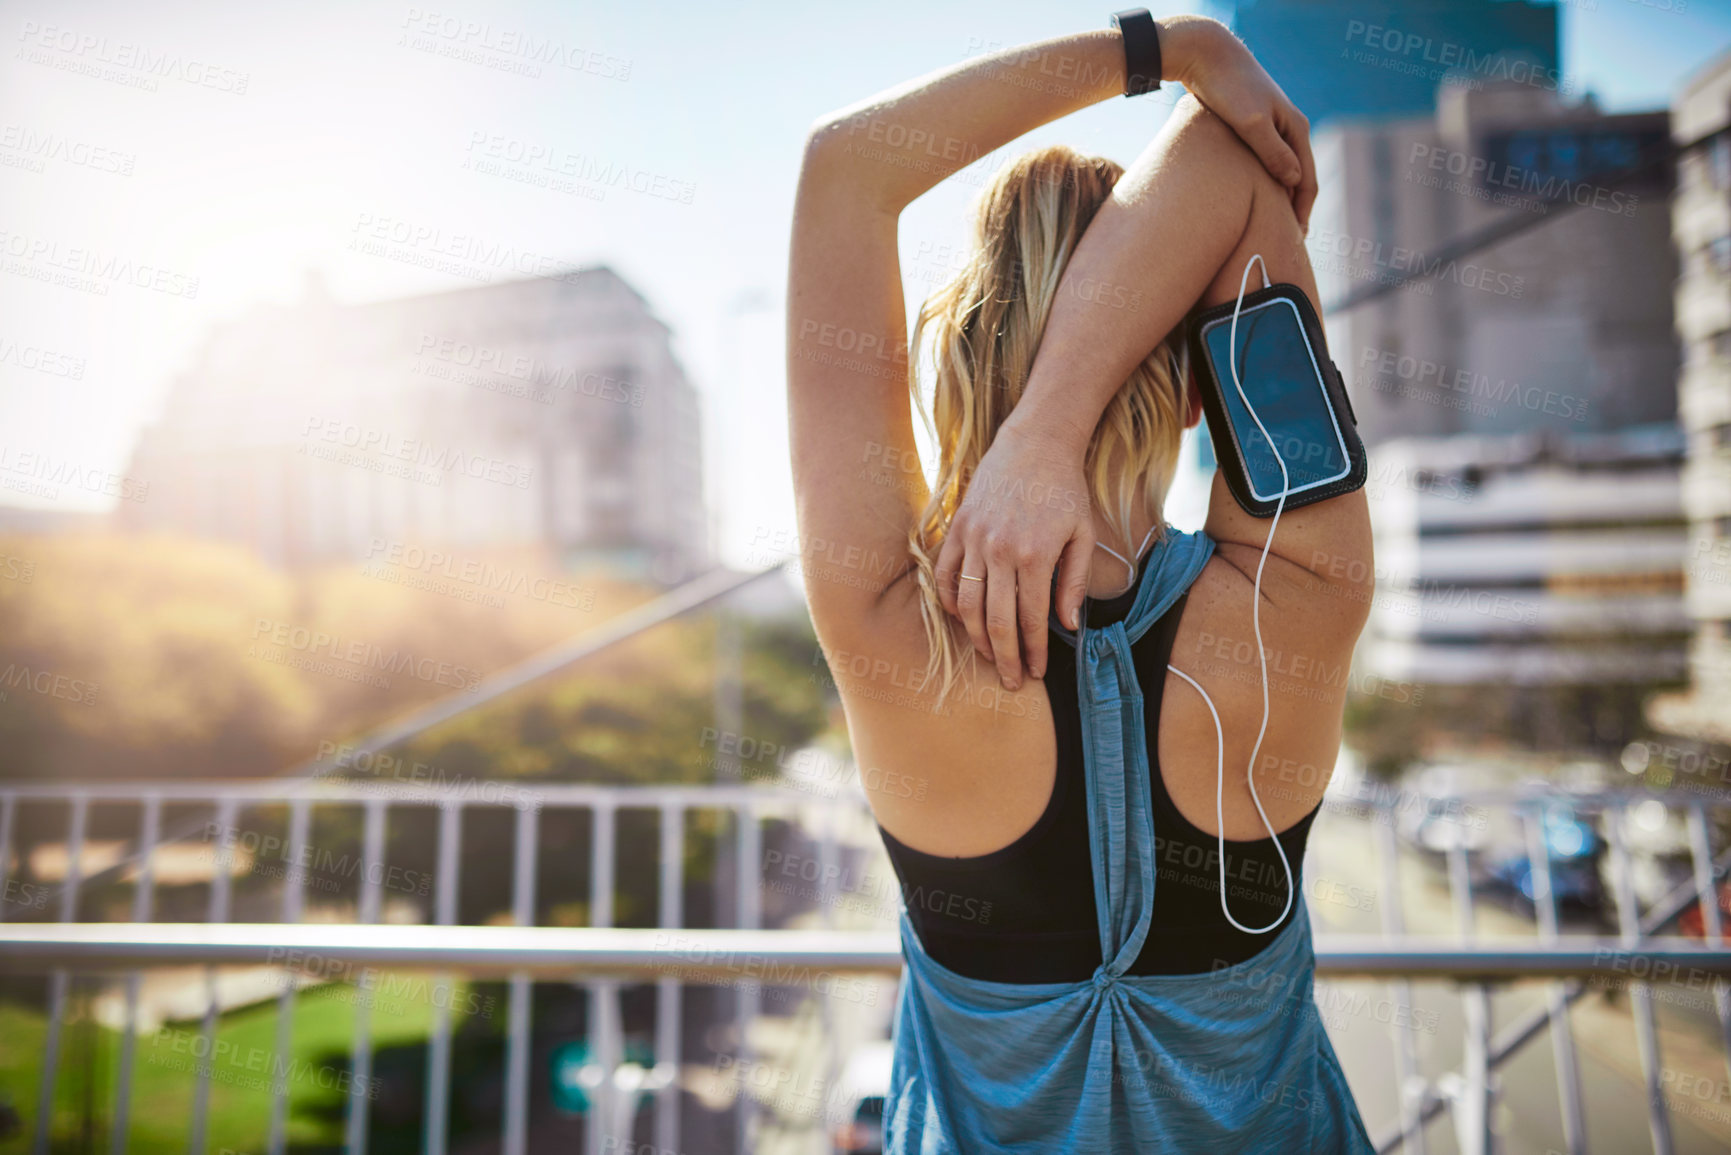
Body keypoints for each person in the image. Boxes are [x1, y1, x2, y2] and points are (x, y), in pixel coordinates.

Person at [787, 11, 1376, 1152]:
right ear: (1207, 387)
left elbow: (845, 170)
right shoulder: (1302, 586)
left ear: (954, 355)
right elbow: (1237, 174)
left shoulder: (890, 625)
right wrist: (1056, 429)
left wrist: (1179, 46)